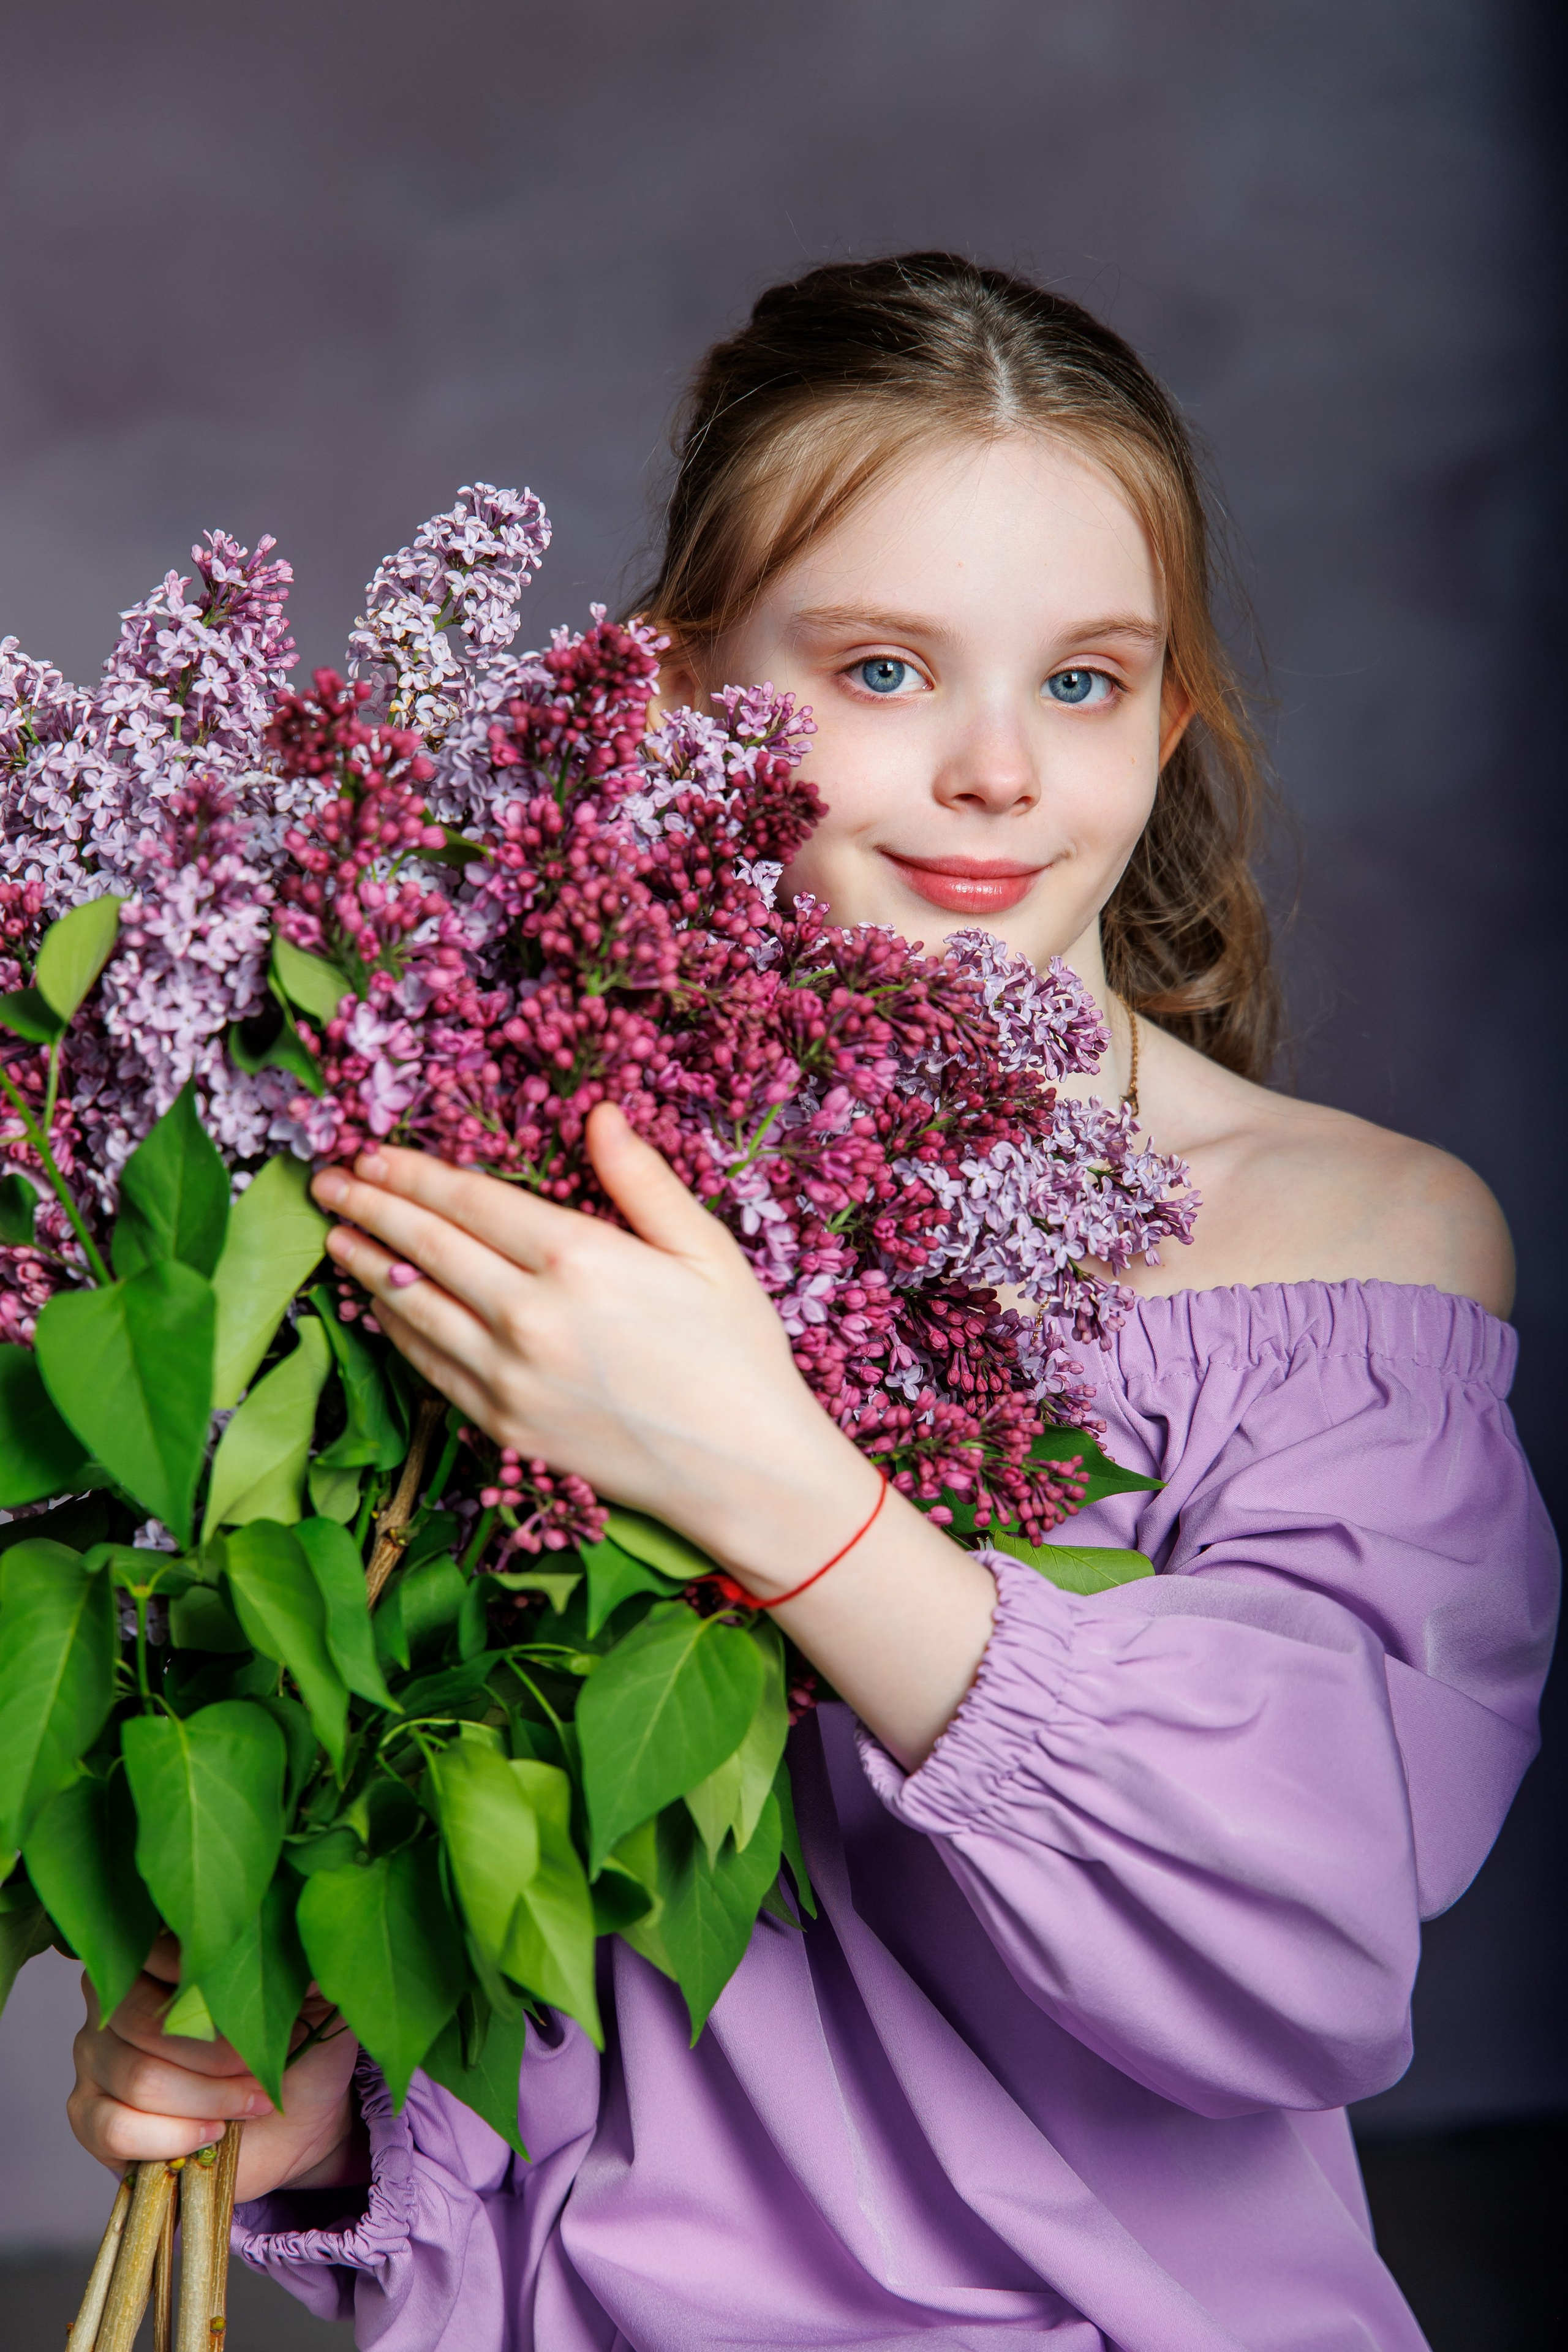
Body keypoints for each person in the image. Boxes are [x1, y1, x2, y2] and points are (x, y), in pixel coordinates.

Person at [67, 255, 1556, 2351]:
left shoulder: (1355, 1248)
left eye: (1082, 681)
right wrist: (315, 2103)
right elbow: (555, 1983)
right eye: (879, 672)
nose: (994, 776)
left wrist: (778, 1484)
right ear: (677, 697)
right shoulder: (523, 1176)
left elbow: (1304, 1953)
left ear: (1173, 712)